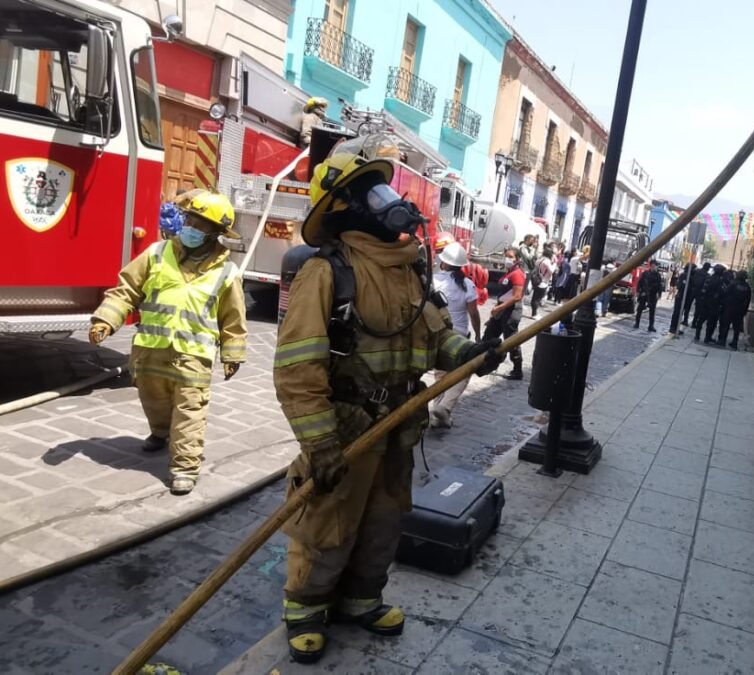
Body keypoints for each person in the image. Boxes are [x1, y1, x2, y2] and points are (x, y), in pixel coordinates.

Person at [273, 147, 503, 663]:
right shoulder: (327, 273)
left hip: (398, 425)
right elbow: (296, 366)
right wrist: (320, 441)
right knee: (328, 521)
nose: (387, 201)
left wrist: (471, 354)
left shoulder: (409, 271)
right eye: (370, 193)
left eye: (383, 189)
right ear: (345, 209)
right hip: (346, 428)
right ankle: (307, 609)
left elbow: (437, 336)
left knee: (383, 520)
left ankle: (361, 599)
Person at [89, 190, 247, 496]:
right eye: (190, 219)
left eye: (200, 225)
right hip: (150, 352)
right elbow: (126, 289)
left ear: (215, 234)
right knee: (154, 401)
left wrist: (232, 353)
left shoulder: (227, 273)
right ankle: (160, 432)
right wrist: (106, 320)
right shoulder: (157, 254)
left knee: (190, 411)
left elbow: (233, 318)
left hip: (193, 357)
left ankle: (184, 466)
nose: (191, 227)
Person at [430, 242, 482, 428]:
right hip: (459, 336)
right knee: (465, 372)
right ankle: (444, 407)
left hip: (437, 334)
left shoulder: (432, 281)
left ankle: (438, 416)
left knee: (441, 376)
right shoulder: (467, 284)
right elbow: (474, 314)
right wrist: (477, 334)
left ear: (443, 262)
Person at [483, 247, 526, 379]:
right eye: (506, 256)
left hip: (511, 310)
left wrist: (500, 308)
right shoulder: (509, 272)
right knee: (489, 335)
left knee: (511, 340)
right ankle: (485, 363)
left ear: (517, 259)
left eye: (510, 256)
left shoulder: (517, 273)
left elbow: (517, 296)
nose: (507, 259)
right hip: (501, 309)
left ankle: (517, 370)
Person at [719, 270, 753, 350]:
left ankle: (723, 340)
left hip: (730, 307)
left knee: (726, 324)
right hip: (740, 309)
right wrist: (745, 310)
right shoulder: (747, 287)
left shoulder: (733, 284)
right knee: (736, 327)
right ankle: (735, 342)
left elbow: (726, 293)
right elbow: (748, 300)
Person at [697, 264, 728, 343]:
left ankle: (697, 335)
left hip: (705, 302)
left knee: (701, 319)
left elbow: (703, 289)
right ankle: (707, 337)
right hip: (714, 304)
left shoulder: (709, 278)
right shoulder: (721, 281)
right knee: (711, 322)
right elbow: (722, 293)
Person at [634, 260, 663, 332]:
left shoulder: (658, 275)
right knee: (640, 309)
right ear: (651, 266)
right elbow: (640, 282)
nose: (654, 267)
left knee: (652, 311)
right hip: (644, 293)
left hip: (653, 294)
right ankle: (637, 323)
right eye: (653, 266)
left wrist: (659, 294)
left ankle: (651, 326)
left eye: (655, 266)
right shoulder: (645, 273)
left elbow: (660, 285)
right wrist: (638, 291)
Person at [531, 244, 555, 317]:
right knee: (537, 298)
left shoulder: (539, 259)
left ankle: (534, 313)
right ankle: (534, 314)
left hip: (536, 280)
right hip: (543, 281)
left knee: (535, 297)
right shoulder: (547, 261)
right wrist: (554, 265)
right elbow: (551, 271)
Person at [668, 265, 690, 335]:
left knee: (679, 313)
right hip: (680, 297)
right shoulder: (684, 275)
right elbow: (680, 285)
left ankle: (676, 328)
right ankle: (673, 328)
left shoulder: (686, 275)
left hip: (682, 297)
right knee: (677, 312)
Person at [691, 263, 713, 331]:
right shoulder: (707, 275)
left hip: (693, 290)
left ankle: (685, 319)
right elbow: (706, 286)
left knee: (687, 306)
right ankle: (694, 323)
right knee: (698, 310)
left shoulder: (696, 271)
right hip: (700, 293)